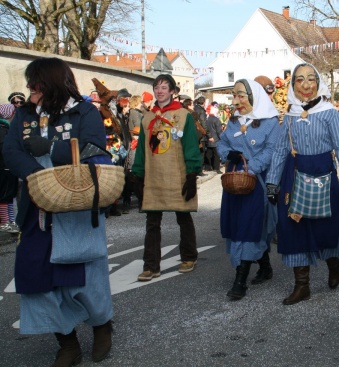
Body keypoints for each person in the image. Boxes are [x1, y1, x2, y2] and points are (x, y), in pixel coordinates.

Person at [3, 57, 114, 365]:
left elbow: (95, 149)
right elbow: (11, 150)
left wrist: (51, 148)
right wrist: (37, 178)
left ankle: (102, 325)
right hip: (37, 210)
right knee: (36, 277)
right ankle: (67, 341)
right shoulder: (24, 114)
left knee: (85, 278)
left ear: (50, 83)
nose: (29, 89)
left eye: (34, 83)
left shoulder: (84, 111)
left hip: (77, 209)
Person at [265, 62, 339, 305]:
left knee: (326, 225)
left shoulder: (328, 112)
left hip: (323, 174)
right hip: (294, 175)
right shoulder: (290, 115)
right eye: (299, 80)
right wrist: (272, 181)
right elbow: (280, 150)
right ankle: (302, 285)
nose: (305, 85)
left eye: (310, 79)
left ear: (318, 82)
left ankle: (333, 263)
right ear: (293, 84)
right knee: (293, 227)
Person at [132, 74, 202, 281]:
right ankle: (150, 265)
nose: (159, 91)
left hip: (177, 174)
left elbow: (190, 145)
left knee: (183, 216)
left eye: (164, 87)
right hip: (154, 176)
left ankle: (189, 256)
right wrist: (137, 174)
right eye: (157, 87)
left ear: (172, 91)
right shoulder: (147, 118)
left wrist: (191, 174)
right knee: (152, 222)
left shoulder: (183, 115)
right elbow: (143, 151)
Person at [217, 79, 282, 299]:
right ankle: (265, 266)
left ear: (254, 97)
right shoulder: (234, 121)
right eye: (233, 96)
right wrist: (229, 154)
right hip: (234, 182)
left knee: (249, 227)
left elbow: (273, 150)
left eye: (241, 96)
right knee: (239, 226)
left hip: (255, 182)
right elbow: (222, 143)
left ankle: (240, 281)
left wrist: (251, 169)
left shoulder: (271, 122)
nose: (235, 101)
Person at [0, 103, 19, 234]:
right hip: (4, 167)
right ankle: (5, 222)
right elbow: (4, 149)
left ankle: (11, 221)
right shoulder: (2, 129)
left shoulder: (6, 128)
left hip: (6, 167)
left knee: (9, 195)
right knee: (4, 196)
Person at [205, 104, 223, 173]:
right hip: (216, 139)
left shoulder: (207, 119)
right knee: (216, 155)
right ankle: (216, 168)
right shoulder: (216, 120)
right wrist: (222, 138)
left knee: (209, 154)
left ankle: (208, 167)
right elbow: (219, 130)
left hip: (209, 138)